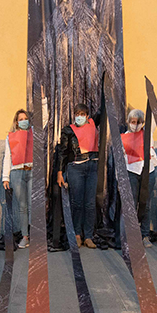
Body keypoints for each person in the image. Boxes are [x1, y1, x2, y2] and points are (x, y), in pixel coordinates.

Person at [56, 103, 102, 248]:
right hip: (76, 167)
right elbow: (62, 152)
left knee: (90, 203)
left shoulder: (93, 124)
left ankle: (88, 236)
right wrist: (59, 172)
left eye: (82, 114)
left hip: (92, 166)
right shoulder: (68, 130)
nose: (79, 117)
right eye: (77, 114)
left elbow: (102, 110)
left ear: (87, 116)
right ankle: (76, 234)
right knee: (76, 202)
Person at [119, 107, 157, 246]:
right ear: (129, 122)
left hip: (148, 172)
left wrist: (151, 100)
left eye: (138, 122)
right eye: (133, 122)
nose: (135, 125)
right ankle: (132, 235)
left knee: (145, 204)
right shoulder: (124, 137)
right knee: (132, 204)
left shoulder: (147, 133)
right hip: (131, 172)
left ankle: (145, 235)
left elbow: (153, 118)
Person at [1, 108, 32, 248]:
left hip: (31, 171)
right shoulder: (11, 137)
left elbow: (43, 120)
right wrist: (5, 177)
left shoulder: (33, 133)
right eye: (21, 119)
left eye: (25, 119)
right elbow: (7, 157)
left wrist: (43, 101)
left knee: (33, 205)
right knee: (22, 207)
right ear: (16, 122)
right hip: (17, 172)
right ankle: (25, 236)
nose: (23, 121)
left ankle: (35, 235)